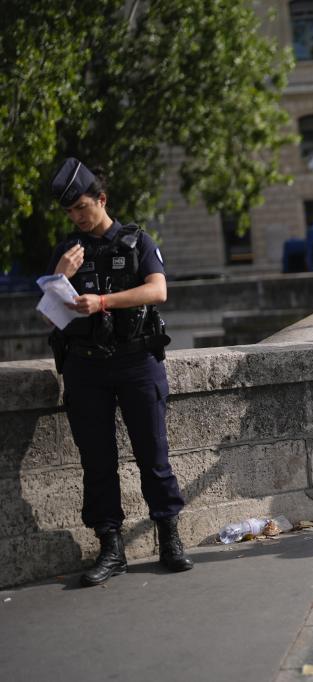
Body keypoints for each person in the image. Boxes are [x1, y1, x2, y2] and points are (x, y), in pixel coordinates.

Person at [46, 158, 192, 586]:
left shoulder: (137, 241)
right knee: (97, 461)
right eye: (70, 211)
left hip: (135, 362)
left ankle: (169, 537)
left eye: (82, 208)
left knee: (154, 455)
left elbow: (158, 290)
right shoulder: (67, 252)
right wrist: (60, 278)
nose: (76, 217)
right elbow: (49, 318)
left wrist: (104, 302)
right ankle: (111, 547)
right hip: (85, 367)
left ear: (102, 199)